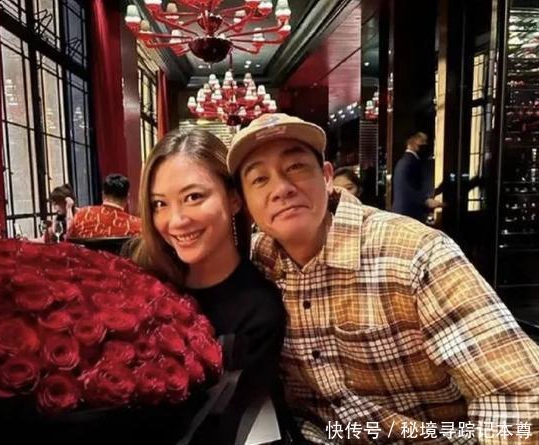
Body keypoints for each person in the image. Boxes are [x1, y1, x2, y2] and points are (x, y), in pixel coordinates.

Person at [227, 113, 539, 444]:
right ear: (243, 204)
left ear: (328, 176)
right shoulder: (256, 262)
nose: (281, 189)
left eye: (296, 167)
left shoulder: (413, 254)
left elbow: (517, 395)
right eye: (259, 179)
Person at [131, 128, 286, 445]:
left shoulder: (259, 310)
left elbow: (224, 423)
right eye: (160, 204)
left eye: (193, 197)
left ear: (234, 199)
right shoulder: (142, 281)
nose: (176, 220)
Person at [68, 173, 141, 239]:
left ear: (103, 195)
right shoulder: (138, 226)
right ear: (127, 198)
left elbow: (68, 241)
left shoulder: (81, 215)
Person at [392, 132, 443, 222]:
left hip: (405, 213)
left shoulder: (405, 161)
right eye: (423, 142)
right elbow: (406, 188)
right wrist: (426, 201)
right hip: (408, 214)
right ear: (413, 143)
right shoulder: (409, 162)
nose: (426, 145)